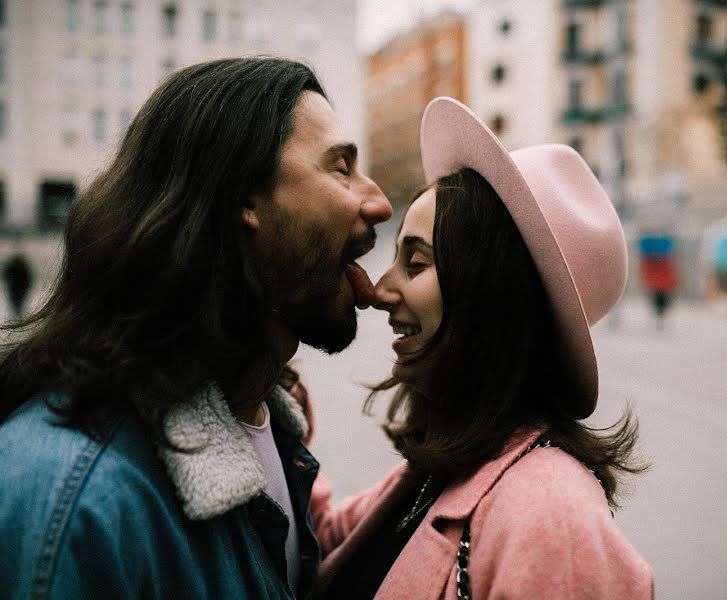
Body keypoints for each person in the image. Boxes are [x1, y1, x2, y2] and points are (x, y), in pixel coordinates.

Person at [0, 58, 392, 600]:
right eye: (341, 169)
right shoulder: (75, 496)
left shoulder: (266, 427)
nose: (379, 202)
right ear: (242, 199)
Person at [310, 98, 653, 599]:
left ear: (489, 294)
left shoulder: (549, 515)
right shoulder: (442, 470)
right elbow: (323, 539)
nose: (380, 290)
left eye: (417, 263)